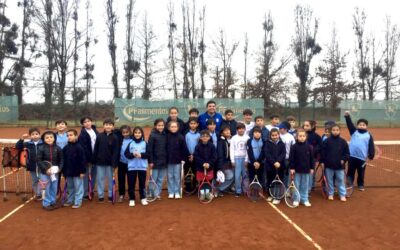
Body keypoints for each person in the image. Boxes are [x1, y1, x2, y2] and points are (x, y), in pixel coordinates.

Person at [344, 111, 375, 191]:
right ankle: (349, 183)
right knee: (350, 171)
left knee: (361, 173)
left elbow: (371, 145)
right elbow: (350, 125)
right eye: (360, 124)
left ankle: (360, 184)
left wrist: (371, 154)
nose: (361, 126)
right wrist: (347, 117)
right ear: (357, 126)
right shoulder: (354, 132)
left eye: (363, 125)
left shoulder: (369, 135)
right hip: (352, 157)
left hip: (362, 158)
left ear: (366, 126)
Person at [320, 124, 350, 202]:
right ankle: (330, 194)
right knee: (329, 181)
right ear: (331, 131)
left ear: (339, 131)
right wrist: (322, 162)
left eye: (337, 130)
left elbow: (347, 153)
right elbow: (323, 153)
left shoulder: (343, 142)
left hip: (339, 166)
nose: (335, 132)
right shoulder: (326, 141)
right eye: (334, 130)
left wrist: (343, 159)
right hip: (329, 166)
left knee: (340, 180)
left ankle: (342, 194)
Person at [93, 119, 119, 203]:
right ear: (103, 126)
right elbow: (96, 149)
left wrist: (114, 163)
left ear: (113, 127)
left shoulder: (115, 137)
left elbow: (116, 151)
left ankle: (110, 195)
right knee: (100, 179)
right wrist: (94, 160)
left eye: (110, 125)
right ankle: (100, 195)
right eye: (106, 124)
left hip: (110, 163)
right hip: (100, 162)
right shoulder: (99, 136)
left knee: (111, 180)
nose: (108, 126)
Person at [37, 131, 63, 211]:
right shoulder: (41, 148)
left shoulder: (58, 148)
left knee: (54, 187)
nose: (49, 139)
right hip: (44, 172)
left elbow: (62, 160)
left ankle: (53, 201)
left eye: (51, 137)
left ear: (54, 138)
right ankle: (46, 203)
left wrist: (59, 168)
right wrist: (46, 169)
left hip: (55, 172)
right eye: (47, 138)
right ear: (43, 139)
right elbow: (39, 160)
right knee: (46, 188)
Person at [16, 127, 43, 200]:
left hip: (42, 166)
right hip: (32, 165)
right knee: (35, 180)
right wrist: (22, 139)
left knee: (42, 180)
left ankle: (43, 193)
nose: (35, 135)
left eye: (36, 134)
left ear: (39, 135)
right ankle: (38, 193)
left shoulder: (43, 143)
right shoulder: (27, 144)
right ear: (30, 136)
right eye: (33, 134)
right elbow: (18, 147)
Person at [124, 126, 149, 207]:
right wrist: (133, 155)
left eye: (139, 133)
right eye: (136, 133)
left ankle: (143, 198)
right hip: (132, 168)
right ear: (133, 134)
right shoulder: (130, 143)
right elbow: (126, 154)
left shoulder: (145, 143)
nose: (137, 134)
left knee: (142, 183)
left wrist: (141, 155)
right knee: (131, 184)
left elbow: (148, 154)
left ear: (141, 134)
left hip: (142, 167)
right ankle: (132, 199)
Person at [289, 129, 314, 207]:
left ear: (306, 137)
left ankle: (305, 199)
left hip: (306, 170)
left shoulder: (309, 147)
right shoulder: (294, 147)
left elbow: (312, 159)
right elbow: (291, 158)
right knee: (296, 185)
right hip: (297, 170)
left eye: (303, 136)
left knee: (305, 185)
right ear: (297, 137)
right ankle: (296, 199)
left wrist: (312, 168)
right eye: (300, 136)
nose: (302, 137)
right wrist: (292, 168)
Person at [62, 129, 86, 209]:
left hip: (77, 172)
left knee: (78, 187)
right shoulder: (65, 148)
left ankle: (78, 201)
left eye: (71, 135)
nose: (69, 137)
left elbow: (82, 161)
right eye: (67, 136)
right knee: (70, 187)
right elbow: (63, 160)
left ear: (76, 136)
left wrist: (82, 171)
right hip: (68, 172)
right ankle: (70, 200)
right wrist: (64, 171)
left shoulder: (79, 147)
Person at [78, 116, 98, 200]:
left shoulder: (95, 131)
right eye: (85, 122)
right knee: (86, 175)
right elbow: (84, 149)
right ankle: (85, 193)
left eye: (89, 121)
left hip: (96, 157)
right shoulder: (82, 134)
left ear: (91, 122)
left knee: (94, 175)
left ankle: (91, 190)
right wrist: (88, 159)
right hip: (87, 159)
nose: (87, 123)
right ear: (83, 124)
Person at [194, 130, 217, 201]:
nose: (205, 137)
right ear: (200, 138)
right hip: (200, 168)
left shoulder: (212, 146)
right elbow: (196, 157)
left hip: (209, 168)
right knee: (201, 181)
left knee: (208, 182)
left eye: (207, 136)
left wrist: (209, 164)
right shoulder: (197, 146)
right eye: (203, 136)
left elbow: (214, 156)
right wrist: (203, 163)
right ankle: (202, 194)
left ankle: (207, 194)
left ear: (209, 137)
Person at [166, 120, 188, 199]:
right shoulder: (167, 137)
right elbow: (165, 149)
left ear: (178, 128)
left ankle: (177, 191)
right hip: (169, 161)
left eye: (175, 127)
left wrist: (183, 159)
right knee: (170, 176)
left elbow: (184, 149)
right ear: (169, 128)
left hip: (178, 161)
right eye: (172, 127)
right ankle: (171, 192)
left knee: (177, 176)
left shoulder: (181, 137)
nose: (173, 128)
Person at [147, 118, 168, 199]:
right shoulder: (152, 135)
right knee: (153, 179)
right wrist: (151, 161)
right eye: (159, 125)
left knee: (160, 179)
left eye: (162, 125)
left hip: (163, 161)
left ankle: (157, 194)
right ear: (155, 126)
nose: (161, 127)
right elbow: (150, 150)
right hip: (155, 162)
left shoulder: (165, 135)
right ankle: (150, 194)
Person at [264, 128, 286, 204]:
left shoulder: (282, 144)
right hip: (270, 166)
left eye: (276, 135)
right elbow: (267, 154)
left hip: (280, 167)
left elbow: (283, 154)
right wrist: (274, 162)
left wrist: (278, 162)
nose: (274, 137)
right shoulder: (267, 143)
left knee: (279, 182)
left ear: (278, 135)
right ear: (270, 136)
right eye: (273, 135)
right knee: (270, 181)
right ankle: (271, 195)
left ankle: (278, 197)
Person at [230, 122, 250, 197]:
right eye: (239, 129)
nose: (241, 130)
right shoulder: (234, 138)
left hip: (244, 158)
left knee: (245, 175)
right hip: (236, 159)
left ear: (244, 129)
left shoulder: (247, 138)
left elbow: (248, 149)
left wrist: (247, 159)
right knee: (237, 176)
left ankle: (245, 190)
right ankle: (238, 191)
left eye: (242, 128)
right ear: (237, 130)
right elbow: (231, 149)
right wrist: (232, 160)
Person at [303, 120, 322, 192]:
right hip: (302, 158)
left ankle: (311, 186)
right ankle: (304, 186)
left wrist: (313, 151)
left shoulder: (317, 136)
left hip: (312, 158)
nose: (305, 127)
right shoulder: (301, 135)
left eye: (307, 125)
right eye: (304, 125)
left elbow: (320, 146)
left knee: (311, 172)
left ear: (312, 126)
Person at [216, 125, 234, 196]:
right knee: (230, 176)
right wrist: (220, 167)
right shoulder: (221, 141)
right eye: (225, 130)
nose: (228, 131)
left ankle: (223, 188)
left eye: (228, 130)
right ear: (221, 133)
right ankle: (218, 189)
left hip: (228, 163)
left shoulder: (228, 140)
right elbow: (220, 155)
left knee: (232, 176)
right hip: (222, 163)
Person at [247, 127, 265, 195]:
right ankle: (252, 191)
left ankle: (258, 191)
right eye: (255, 132)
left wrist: (258, 162)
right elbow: (250, 152)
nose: (257, 134)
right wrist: (254, 162)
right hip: (251, 163)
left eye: (259, 132)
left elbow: (263, 152)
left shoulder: (264, 141)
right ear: (253, 133)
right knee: (252, 177)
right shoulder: (249, 141)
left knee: (259, 177)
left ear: (261, 134)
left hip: (261, 163)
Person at [117, 125, 133, 202]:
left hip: (131, 163)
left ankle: (131, 195)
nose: (125, 134)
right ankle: (121, 195)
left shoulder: (133, 140)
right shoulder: (119, 139)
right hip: (121, 163)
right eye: (123, 132)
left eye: (127, 132)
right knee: (121, 179)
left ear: (130, 132)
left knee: (130, 180)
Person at [184, 117, 200, 192]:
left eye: (194, 124)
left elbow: (199, 146)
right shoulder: (186, 134)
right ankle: (187, 187)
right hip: (187, 157)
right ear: (189, 124)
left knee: (195, 172)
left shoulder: (199, 134)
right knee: (187, 172)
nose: (193, 125)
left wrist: (193, 155)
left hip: (196, 157)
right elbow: (185, 145)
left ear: (197, 124)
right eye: (191, 124)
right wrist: (189, 155)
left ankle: (195, 187)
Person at [279, 121, 295, 187]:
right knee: (280, 174)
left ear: (285, 129)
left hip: (287, 159)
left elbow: (293, 149)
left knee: (287, 175)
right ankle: (280, 189)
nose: (279, 129)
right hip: (279, 159)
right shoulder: (277, 135)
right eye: (279, 128)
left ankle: (287, 189)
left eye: (281, 128)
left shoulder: (290, 137)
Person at [55, 120, 68, 194]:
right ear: (56, 126)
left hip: (67, 160)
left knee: (68, 178)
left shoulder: (69, 135)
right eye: (58, 124)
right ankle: (55, 193)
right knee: (56, 179)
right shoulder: (53, 136)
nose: (60, 125)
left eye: (62, 124)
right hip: (56, 161)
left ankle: (69, 194)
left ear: (66, 126)